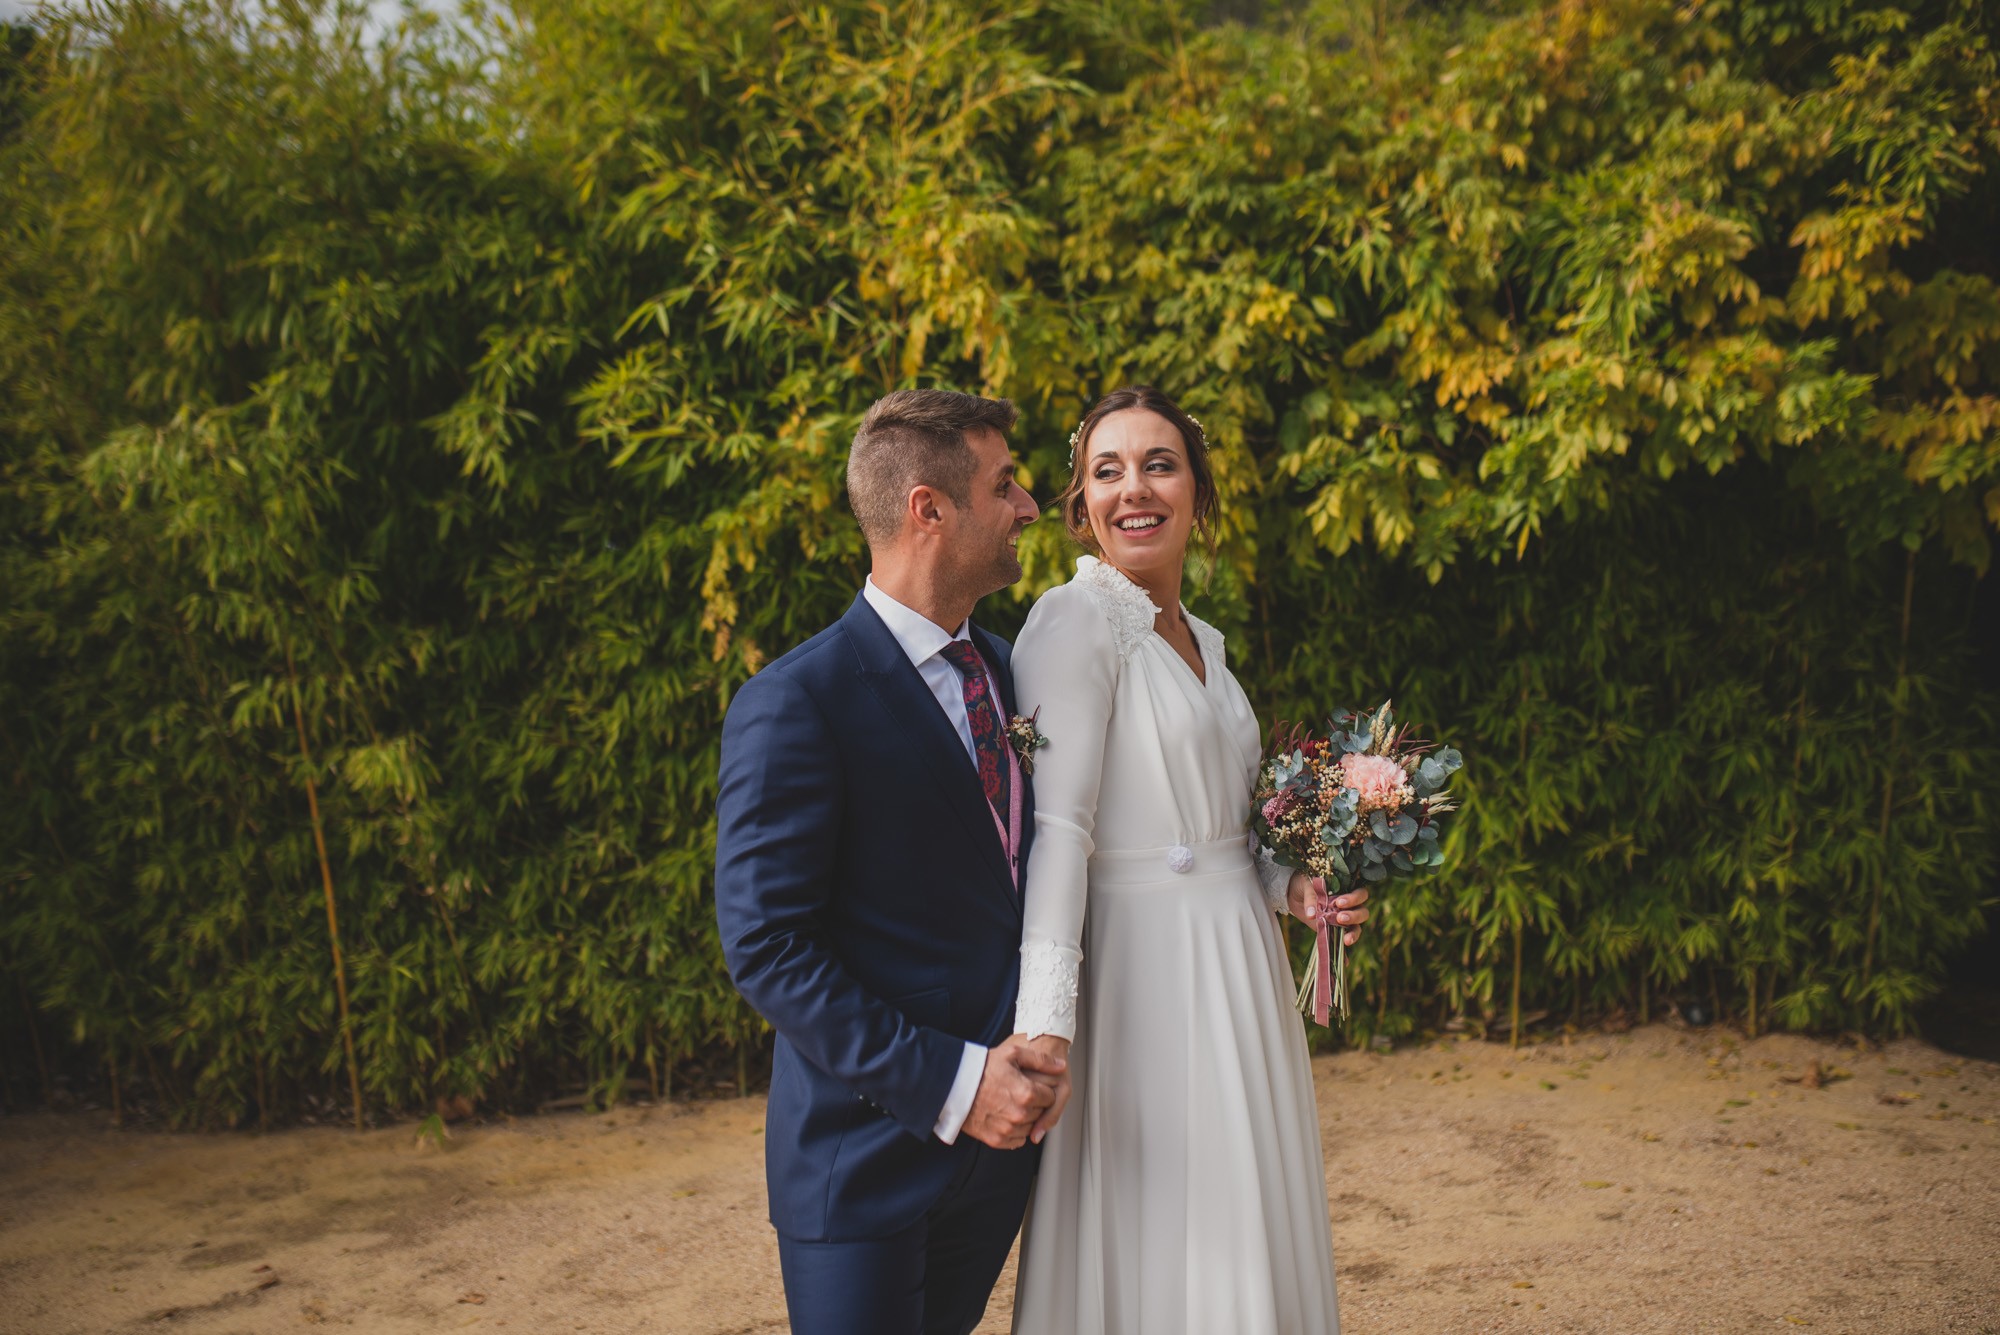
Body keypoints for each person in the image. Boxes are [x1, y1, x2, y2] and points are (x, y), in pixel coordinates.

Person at [1008, 385, 1370, 1335]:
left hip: (1241, 968)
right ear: (1082, 504)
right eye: (1108, 470)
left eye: (1159, 464)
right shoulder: (1071, 619)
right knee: (1167, 1221)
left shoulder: (1205, 640)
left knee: (1243, 1204)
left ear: (1199, 495)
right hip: (1142, 979)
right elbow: (1060, 831)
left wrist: (1296, 890)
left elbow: (1228, 836)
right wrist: (1043, 1022)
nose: (1136, 489)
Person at [713, 388, 1069, 1335]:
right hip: (862, 1159)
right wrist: (958, 1085)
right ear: (928, 508)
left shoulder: (1008, 672)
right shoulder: (797, 701)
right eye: (1006, 484)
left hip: (1000, 1160)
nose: (1032, 506)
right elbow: (767, 947)